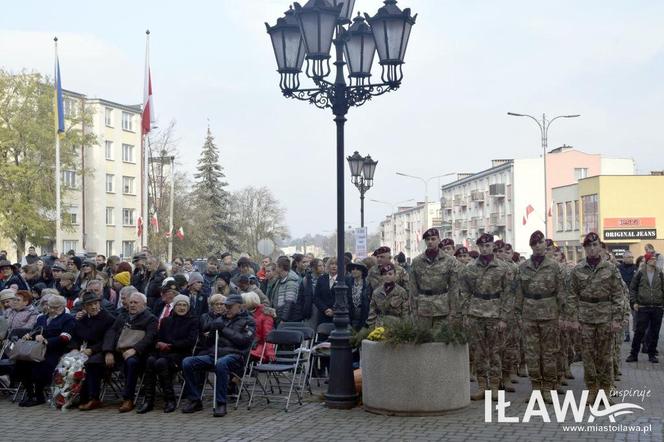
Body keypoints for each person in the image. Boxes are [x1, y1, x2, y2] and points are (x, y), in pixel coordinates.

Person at [567, 232, 623, 404]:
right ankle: (592, 390)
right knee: (588, 357)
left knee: (605, 357)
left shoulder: (610, 268)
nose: (592, 249)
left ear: (600, 246)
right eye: (588, 246)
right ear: (584, 248)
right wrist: (574, 319)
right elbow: (571, 296)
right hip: (585, 319)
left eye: (595, 245)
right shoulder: (577, 270)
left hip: (605, 318)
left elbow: (618, 294)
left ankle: (605, 392)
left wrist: (617, 319)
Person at [514, 231, 567, 403]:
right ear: (531, 246)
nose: (538, 245)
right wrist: (518, 314)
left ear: (546, 244)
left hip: (550, 313)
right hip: (529, 314)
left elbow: (561, 292)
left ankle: (548, 388)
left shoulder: (554, 266)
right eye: (534, 243)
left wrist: (563, 315)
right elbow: (519, 292)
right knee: (532, 354)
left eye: (540, 242)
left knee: (549, 353)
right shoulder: (523, 267)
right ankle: (536, 388)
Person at [181, 294, 256, 417]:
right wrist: (210, 331)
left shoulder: (249, 320)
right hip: (215, 354)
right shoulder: (220, 319)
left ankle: (221, 403)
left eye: (230, 306)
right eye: (226, 306)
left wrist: (224, 329)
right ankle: (195, 399)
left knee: (221, 363)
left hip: (236, 356)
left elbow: (243, 341)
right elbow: (209, 343)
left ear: (240, 306)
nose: (227, 309)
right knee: (187, 362)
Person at [460, 233, 511, 401]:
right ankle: (482, 386)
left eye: (488, 245)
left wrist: (504, 317)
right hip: (476, 313)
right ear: (478, 248)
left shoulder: (503, 268)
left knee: (496, 351)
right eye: (482, 246)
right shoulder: (470, 268)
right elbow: (465, 292)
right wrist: (466, 313)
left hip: (495, 313)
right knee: (479, 352)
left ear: (492, 247)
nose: (485, 248)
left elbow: (508, 294)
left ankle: (495, 386)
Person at [137, 294, 199, 414]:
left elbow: (190, 341)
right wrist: (159, 343)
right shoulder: (166, 321)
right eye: (179, 305)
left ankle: (170, 400)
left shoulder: (193, 321)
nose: (181, 308)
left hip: (182, 354)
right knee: (150, 360)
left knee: (161, 362)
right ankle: (148, 401)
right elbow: (159, 337)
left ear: (188, 307)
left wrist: (170, 345)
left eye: (184, 305)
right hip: (164, 352)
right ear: (174, 307)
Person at [102, 292, 158, 412]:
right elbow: (111, 332)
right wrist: (108, 351)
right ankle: (91, 397)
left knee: (131, 362)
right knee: (93, 362)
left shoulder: (150, 319)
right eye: (131, 302)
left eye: (135, 303)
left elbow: (150, 338)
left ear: (144, 304)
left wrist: (135, 349)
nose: (132, 305)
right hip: (118, 351)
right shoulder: (123, 316)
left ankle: (128, 399)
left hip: (139, 354)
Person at [16, 295, 74, 407]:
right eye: (50, 306)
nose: (52, 310)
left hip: (55, 350)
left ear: (63, 306)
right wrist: (29, 335)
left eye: (56, 308)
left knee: (41, 364)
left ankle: (39, 395)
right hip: (37, 349)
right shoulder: (41, 318)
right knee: (21, 363)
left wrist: (46, 340)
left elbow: (65, 337)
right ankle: (30, 393)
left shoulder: (67, 319)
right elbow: (36, 331)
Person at [70, 291, 116, 411]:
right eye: (90, 305)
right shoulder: (82, 319)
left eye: (96, 303)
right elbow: (75, 337)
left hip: (102, 350)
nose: (94, 307)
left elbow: (109, 339)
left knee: (91, 363)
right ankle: (71, 397)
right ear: (84, 307)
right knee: (67, 362)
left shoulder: (108, 319)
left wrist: (92, 350)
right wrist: (74, 349)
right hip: (82, 351)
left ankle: (93, 398)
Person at [408, 229, 459, 328]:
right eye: (427, 239)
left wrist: (453, 311)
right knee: (423, 339)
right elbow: (413, 288)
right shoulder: (417, 261)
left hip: (442, 307)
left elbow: (454, 288)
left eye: (433, 239)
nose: (430, 241)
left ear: (439, 240)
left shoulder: (449, 261)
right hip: (423, 307)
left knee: (441, 340)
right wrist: (413, 310)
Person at [626, 252, 664, 363]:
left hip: (657, 307)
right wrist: (634, 302)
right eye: (652, 259)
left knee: (654, 332)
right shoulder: (640, 273)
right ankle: (633, 354)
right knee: (639, 331)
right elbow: (632, 288)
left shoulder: (660, 273)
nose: (654, 260)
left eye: (655, 259)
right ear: (647, 261)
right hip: (643, 307)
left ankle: (652, 354)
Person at [367, 263, 411, 328]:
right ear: (381, 276)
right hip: (379, 326)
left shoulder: (401, 292)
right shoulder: (376, 292)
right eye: (384, 274)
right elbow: (372, 311)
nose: (387, 276)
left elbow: (405, 313)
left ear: (395, 275)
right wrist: (371, 327)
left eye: (390, 274)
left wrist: (405, 328)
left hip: (396, 326)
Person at [242, 291, 275, 362]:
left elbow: (268, 335)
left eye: (244, 302)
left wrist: (270, 352)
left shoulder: (265, 315)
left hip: (258, 346)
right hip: (246, 343)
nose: (241, 304)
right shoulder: (243, 314)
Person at [271, 257, 301, 322]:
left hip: (286, 318)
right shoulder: (279, 280)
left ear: (281, 267)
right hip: (278, 315)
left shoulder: (291, 282)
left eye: (276, 266)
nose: (275, 269)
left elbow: (289, 303)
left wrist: (283, 319)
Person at [619, 252, 639, 342]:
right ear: (624, 258)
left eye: (632, 257)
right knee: (625, 316)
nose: (631, 258)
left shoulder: (636, 268)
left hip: (634, 296)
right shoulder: (619, 268)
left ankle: (636, 333)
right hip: (623, 295)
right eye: (629, 257)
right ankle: (626, 334)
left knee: (636, 316)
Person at [314, 257, 338, 325]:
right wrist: (325, 309)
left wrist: (333, 310)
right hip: (323, 314)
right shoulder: (321, 279)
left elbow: (346, 299)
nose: (334, 266)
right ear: (328, 266)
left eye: (336, 264)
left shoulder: (344, 280)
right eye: (332, 264)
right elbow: (316, 297)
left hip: (338, 316)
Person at [346, 261, 370, 330]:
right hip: (350, 315)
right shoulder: (347, 282)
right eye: (353, 269)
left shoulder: (367, 284)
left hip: (363, 315)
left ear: (362, 271)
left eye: (357, 269)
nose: (354, 271)